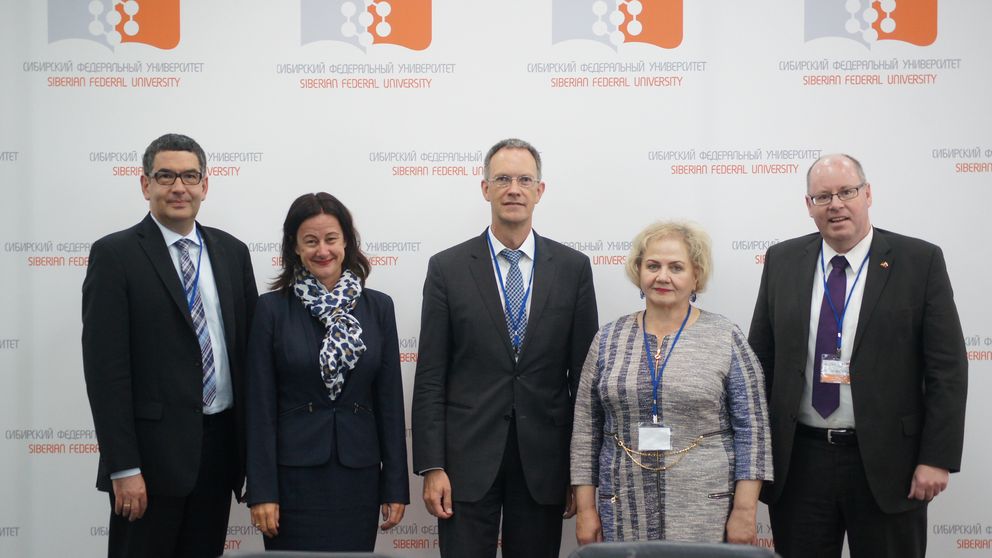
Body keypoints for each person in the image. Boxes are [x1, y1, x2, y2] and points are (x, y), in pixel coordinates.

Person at [748, 154, 968, 558]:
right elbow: (760, 360)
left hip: (889, 464)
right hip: (800, 461)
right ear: (808, 205)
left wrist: (937, 458)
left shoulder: (919, 261)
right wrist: (754, 459)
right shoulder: (782, 260)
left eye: (846, 192)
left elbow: (947, 370)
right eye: (823, 196)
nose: (836, 204)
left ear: (868, 195)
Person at [411, 138, 599, 558]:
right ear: (485, 189)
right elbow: (430, 377)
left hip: (545, 462)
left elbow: (584, 383)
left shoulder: (573, 269)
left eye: (523, 179)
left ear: (539, 191)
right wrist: (432, 465)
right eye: (502, 179)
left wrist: (579, 472)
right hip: (465, 462)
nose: (513, 188)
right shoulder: (447, 268)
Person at [81, 133, 258, 558]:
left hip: (219, 452)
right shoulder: (115, 255)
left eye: (190, 176)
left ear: (204, 186)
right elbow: (106, 372)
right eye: (165, 176)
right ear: (146, 185)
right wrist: (124, 467)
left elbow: (249, 355)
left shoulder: (233, 252)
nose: (179, 187)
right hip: (148, 461)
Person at [571, 221, 773, 545]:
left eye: (676, 267)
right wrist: (585, 509)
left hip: (707, 512)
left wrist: (745, 511)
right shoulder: (608, 339)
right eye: (653, 265)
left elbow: (754, 430)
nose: (662, 276)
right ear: (638, 271)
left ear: (696, 276)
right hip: (622, 509)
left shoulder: (725, 337)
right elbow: (585, 431)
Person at [245, 192, 409, 551]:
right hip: (292, 482)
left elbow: (390, 404)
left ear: (346, 242)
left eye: (331, 239)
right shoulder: (271, 309)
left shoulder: (379, 307)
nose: (323, 250)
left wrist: (395, 486)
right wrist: (262, 491)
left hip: (359, 478)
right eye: (311, 241)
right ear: (295, 247)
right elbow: (258, 407)